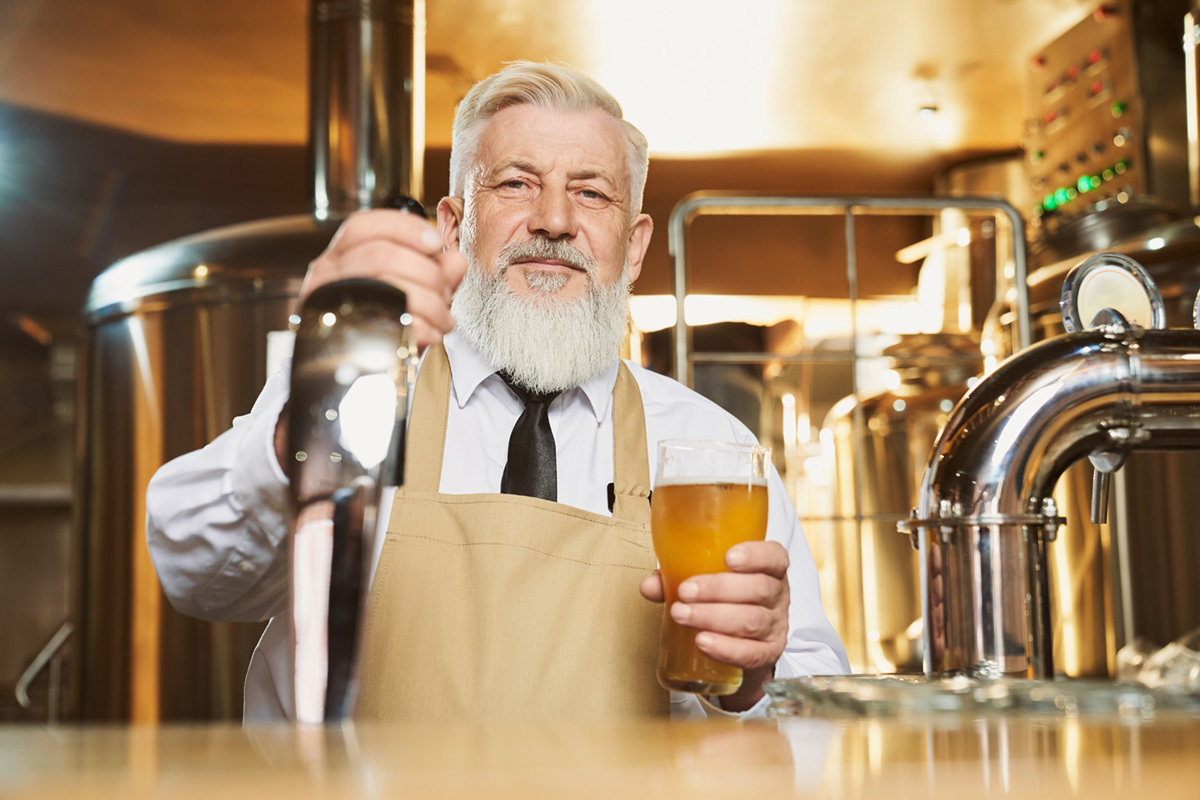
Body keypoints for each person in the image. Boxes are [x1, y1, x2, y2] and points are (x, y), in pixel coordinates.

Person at [146, 61, 848, 722]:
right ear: (454, 225)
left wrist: (752, 677)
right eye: (515, 183)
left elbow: (814, 703)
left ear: (633, 247)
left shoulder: (711, 446)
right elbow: (198, 577)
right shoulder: (351, 399)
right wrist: (316, 403)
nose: (552, 218)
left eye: (591, 192)